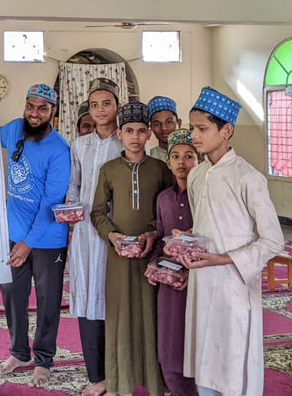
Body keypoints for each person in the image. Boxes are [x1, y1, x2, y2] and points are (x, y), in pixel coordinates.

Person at [177, 87, 283, 396]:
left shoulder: (247, 177)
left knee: (233, 361)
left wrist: (223, 260)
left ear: (227, 131)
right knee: (205, 358)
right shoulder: (197, 176)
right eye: (192, 128)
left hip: (234, 284)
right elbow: (203, 226)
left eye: (202, 129)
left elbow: (273, 240)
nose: (194, 136)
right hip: (202, 281)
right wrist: (185, 241)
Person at [91, 101, 174, 396]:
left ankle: (157, 382)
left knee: (153, 315)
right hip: (119, 257)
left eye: (141, 130)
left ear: (149, 134)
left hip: (152, 255)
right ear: (120, 134)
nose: (136, 137)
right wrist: (112, 236)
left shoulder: (161, 169)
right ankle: (119, 382)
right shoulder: (109, 169)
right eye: (129, 131)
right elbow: (97, 212)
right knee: (120, 316)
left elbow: (169, 209)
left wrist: (153, 231)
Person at [0, 83, 71, 389]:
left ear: (53, 112)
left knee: (47, 298)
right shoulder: (15, 129)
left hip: (48, 237)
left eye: (42, 108)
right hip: (14, 231)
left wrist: (28, 243)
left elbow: (53, 203)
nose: (35, 113)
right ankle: (19, 353)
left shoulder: (59, 149)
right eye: (31, 106)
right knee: (12, 293)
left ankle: (43, 359)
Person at [65, 77, 122, 396]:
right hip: (85, 232)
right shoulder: (79, 145)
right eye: (95, 105)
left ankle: (116, 372)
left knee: (113, 298)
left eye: (107, 104)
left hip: (116, 230)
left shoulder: (125, 143)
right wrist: (72, 205)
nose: (101, 110)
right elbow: (74, 184)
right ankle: (95, 373)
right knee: (87, 297)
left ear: (116, 107)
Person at [149, 129, 199, 396]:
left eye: (189, 156)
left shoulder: (205, 196)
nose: (182, 162)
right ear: (168, 162)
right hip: (169, 281)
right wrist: (154, 264)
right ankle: (175, 387)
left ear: (199, 160)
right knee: (170, 339)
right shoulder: (164, 198)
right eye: (176, 156)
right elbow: (160, 235)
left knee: (196, 337)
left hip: (200, 280)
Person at [148, 96, 181, 162]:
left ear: (179, 123)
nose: (164, 128)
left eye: (168, 122)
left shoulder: (193, 155)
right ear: (151, 127)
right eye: (157, 124)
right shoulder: (148, 157)